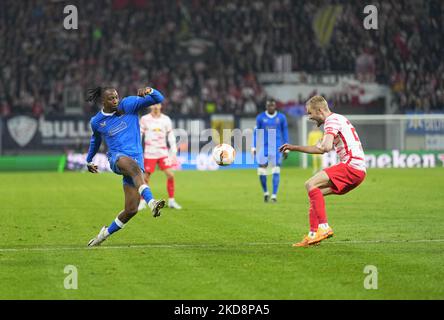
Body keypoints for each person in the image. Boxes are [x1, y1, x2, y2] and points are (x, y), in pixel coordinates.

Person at [280, 95, 366, 247]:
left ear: (319, 110)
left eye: (310, 113)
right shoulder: (337, 119)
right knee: (315, 194)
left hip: (352, 166)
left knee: (310, 184)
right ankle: (313, 235)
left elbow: (325, 148)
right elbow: (321, 149)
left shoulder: (331, 121)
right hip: (358, 171)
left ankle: (324, 228)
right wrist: (294, 147)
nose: (309, 116)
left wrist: (320, 145)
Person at [85, 86, 166, 247]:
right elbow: (96, 141)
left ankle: (102, 236)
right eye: (111, 98)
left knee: (131, 209)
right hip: (117, 158)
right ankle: (152, 203)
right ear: (103, 101)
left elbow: (159, 99)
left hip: (136, 160)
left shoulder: (128, 105)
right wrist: (89, 160)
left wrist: (150, 90)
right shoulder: (97, 121)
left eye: (116, 97)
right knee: (135, 169)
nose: (115, 100)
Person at [138, 103, 182, 210]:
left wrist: (173, 147)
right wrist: (137, 150)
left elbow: (170, 135)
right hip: (150, 153)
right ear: (150, 106)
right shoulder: (144, 119)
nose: (156, 106)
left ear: (161, 106)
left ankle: (171, 201)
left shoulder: (166, 119)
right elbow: (139, 135)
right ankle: (142, 202)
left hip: (163, 153)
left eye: (158, 104)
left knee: (170, 175)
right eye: (153, 105)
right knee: (145, 178)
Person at [252, 99, 289, 203]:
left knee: (276, 170)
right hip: (263, 147)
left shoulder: (281, 118)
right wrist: (254, 147)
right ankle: (265, 192)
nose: (270, 107)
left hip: (277, 148)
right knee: (261, 171)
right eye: (269, 105)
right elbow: (256, 133)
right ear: (266, 106)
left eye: (272, 105)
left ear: (275, 106)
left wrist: (287, 148)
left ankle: (274, 195)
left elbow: (285, 132)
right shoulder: (260, 118)